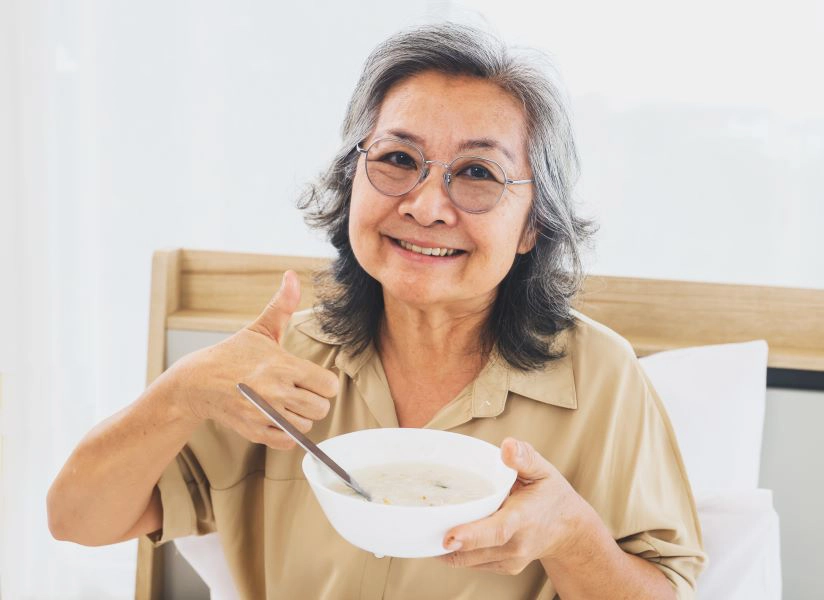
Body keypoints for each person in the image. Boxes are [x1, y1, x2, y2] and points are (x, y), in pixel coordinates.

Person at [47, 23, 706, 599]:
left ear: (533, 224)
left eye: (477, 173)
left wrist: (570, 535)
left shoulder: (602, 378)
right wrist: (181, 391)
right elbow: (75, 518)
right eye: (396, 159)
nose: (426, 205)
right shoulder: (286, 366)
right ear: (351, 180)